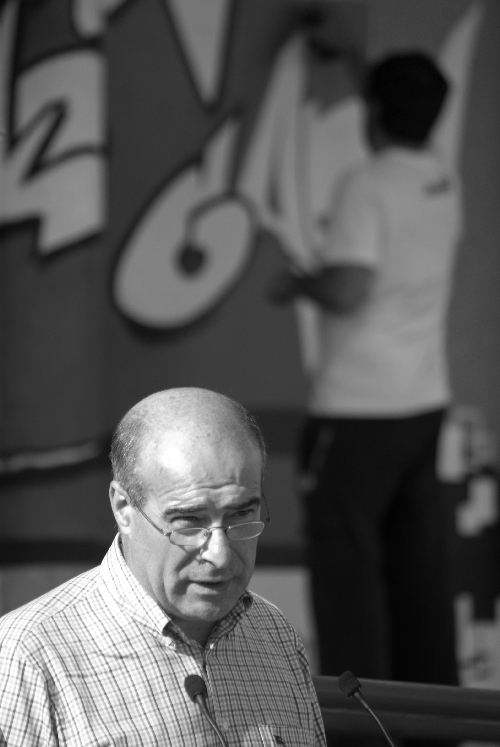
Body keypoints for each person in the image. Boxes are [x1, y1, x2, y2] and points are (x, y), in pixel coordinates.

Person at [270, 52, 461, 704]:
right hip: (421, 404)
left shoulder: (366, 185)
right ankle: (434, 724)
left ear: (374, 111)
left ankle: (362, 728)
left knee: (347, 576)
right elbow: (400, 114)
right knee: (418, 576)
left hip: (357, 415)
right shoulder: (440, 177)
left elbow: (349, 288)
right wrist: (356, 60)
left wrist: (297, 282)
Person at [0, 388, 326, 746]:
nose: (219, 554)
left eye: (241, 515)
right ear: (123, 509)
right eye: (189, 522)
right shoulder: (29, 655)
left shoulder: (275, 636)